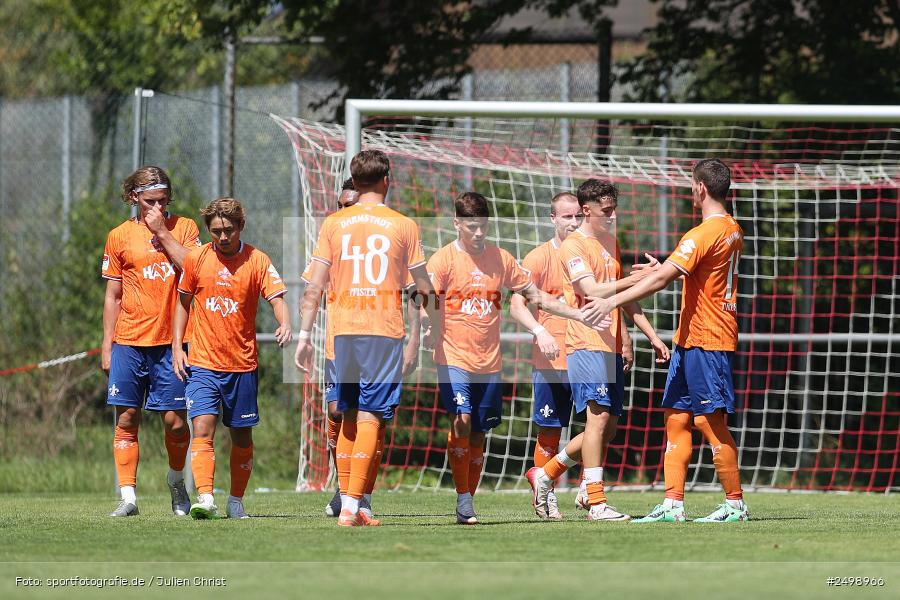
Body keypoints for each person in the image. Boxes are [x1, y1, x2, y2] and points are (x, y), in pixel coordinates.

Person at [426, 191, 606, 525]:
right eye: (471, 227)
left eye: (483, 226)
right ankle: (464, 499)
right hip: (452, 356)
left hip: (489, 363)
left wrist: (577, 316)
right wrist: (428, 325)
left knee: (479, 433)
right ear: (456, 224)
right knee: (462, 420)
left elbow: (535, 297)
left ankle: (468, 497)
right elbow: (423, 298)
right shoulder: (443, 260)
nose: (478, 233)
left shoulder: (502, 259)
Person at [586, 159, 749, 523]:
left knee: (710, 421)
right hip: (689, 339)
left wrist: (612, 299)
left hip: (709, 338)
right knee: (676, 418)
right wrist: (660, 269)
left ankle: (735, 504)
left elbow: (664, 281)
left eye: (692, 185)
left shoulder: (702, 233)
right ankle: (673, 504)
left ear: (701, 189)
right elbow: (688, 273)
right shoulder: (731, 228)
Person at [295, 149, 438, 527]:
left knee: (348, 415)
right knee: (372, 415)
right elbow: (422, 287)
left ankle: (347, 501)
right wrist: (434, 329)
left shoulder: (333, 224)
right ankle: (352, 506)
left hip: (342, 331)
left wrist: (305, 335)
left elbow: (314, 286)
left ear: (355, 184)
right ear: (386, 180)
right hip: (383, 330)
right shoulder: (404, 224)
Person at [525, 179, 669, 522]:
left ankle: (545, 474)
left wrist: (649, 335)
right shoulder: (573, 246)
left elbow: (623, 300)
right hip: (584, 342)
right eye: (607, 211)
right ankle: (595, 500)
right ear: (586, 209)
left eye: (614, 209)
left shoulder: (609, 243)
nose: (613, 216)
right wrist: (637, 279)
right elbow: (592, 290)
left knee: (608, 428)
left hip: (609, 346)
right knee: (597, 418)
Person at [172, 198, 292, 520]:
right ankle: (206, 498)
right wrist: (176, 347)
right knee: (202, 428)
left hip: (242, 365)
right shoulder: (196, 259)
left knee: (241, 437)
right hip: (203, 362)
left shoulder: (258, 260)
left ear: (241, 226)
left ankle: (236, 500)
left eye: (228, 230)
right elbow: (182, 304)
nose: (223, 237)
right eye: (216, 231)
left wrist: (285, 322)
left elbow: (277, 297)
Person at [101, 166, 200, 517]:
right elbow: (113, 294)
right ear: (134, 198)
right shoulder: (119, 236)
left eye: (162, 200)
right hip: (128, 341)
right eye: (149, 201)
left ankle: (176, 482)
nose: (156, 207)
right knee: (126, 417)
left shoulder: (185, 228)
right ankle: (128, 497)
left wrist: (162, 232)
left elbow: (195, 267)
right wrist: (107, 345)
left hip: (172, 343)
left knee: (175, 421)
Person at [509, 192, 582, 519]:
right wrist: (540, 332)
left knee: (600, 426)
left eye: (578, 215)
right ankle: (545, 496)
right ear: (552, 219)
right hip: (551, 362)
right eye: (567, 216)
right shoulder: (538, 258)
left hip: (588, 354)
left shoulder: (591, 253)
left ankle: (590, 490)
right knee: (550, 432)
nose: (574, 222)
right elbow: (516, 306)